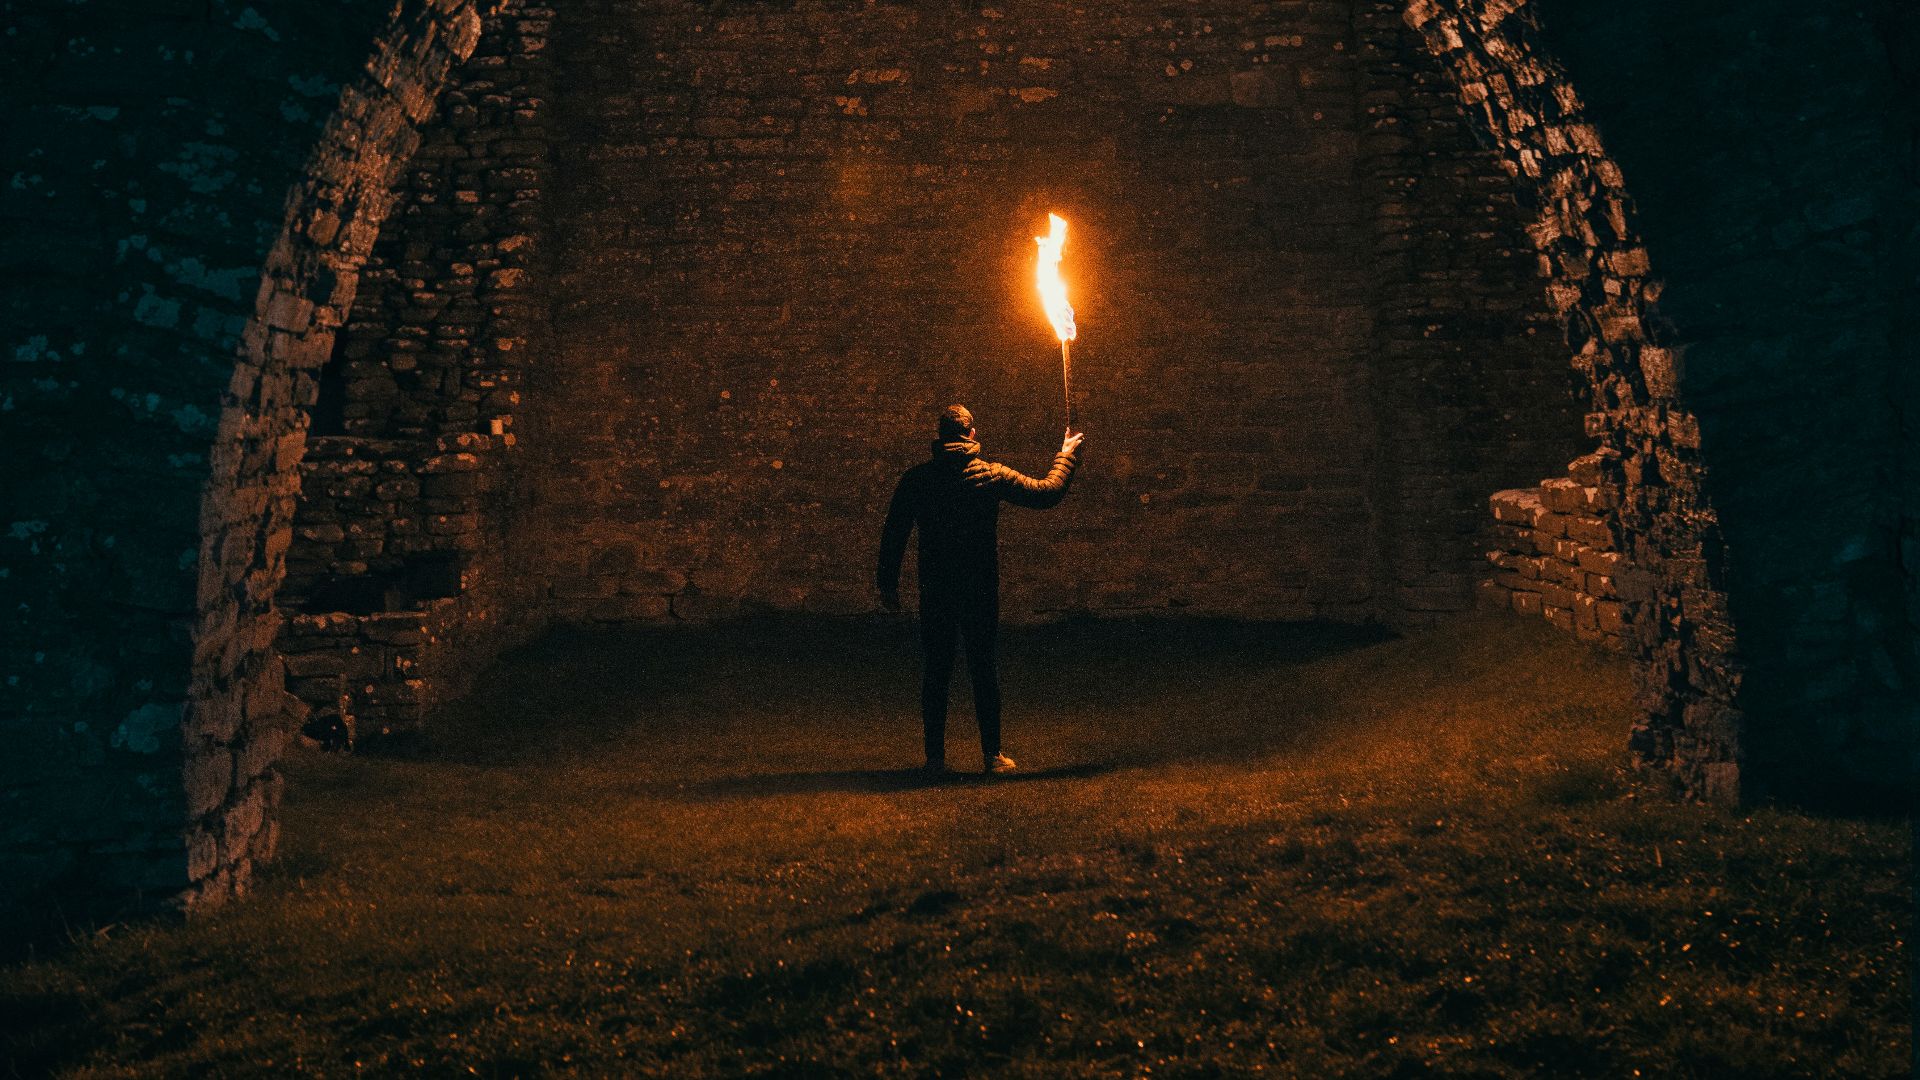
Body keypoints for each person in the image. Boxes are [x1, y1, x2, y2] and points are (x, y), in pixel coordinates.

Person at [876, 404, 1084, 775]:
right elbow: (1047, 492)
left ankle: (935, 760)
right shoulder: (992, 474)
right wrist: (1066, 455)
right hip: (979, 588)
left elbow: (894, 533)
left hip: (936, 588)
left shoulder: (917, 479)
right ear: (971, 434)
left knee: (936, 671)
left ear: (941, 437)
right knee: (983, 669)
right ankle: (992, 756)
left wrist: (887, 586)